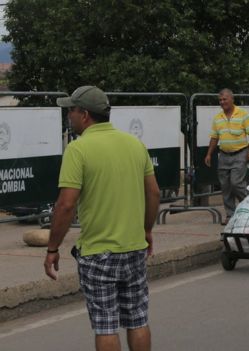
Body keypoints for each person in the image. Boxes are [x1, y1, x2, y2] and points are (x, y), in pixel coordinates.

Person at [44, 86, 161, 351]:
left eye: (71, 111)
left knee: (106, 324)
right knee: (138, 319)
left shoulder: (79, 149)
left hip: (98, 252)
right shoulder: (134, 143)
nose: (69, 116)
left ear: (84, 114)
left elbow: (65, 205)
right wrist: (146, 230)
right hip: (133, 248)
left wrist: (52, 248)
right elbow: (153, 192)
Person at [204, 89, 249, 225]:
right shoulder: (217, 118)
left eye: (224, 99)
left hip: (240, 153)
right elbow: (214, 138)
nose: (222, 102)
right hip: (224, 155)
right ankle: (230, 215)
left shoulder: (243, 114)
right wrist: (209, 153)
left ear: (232, 99)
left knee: (236, 183)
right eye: (220, 100)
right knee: (225, 186)